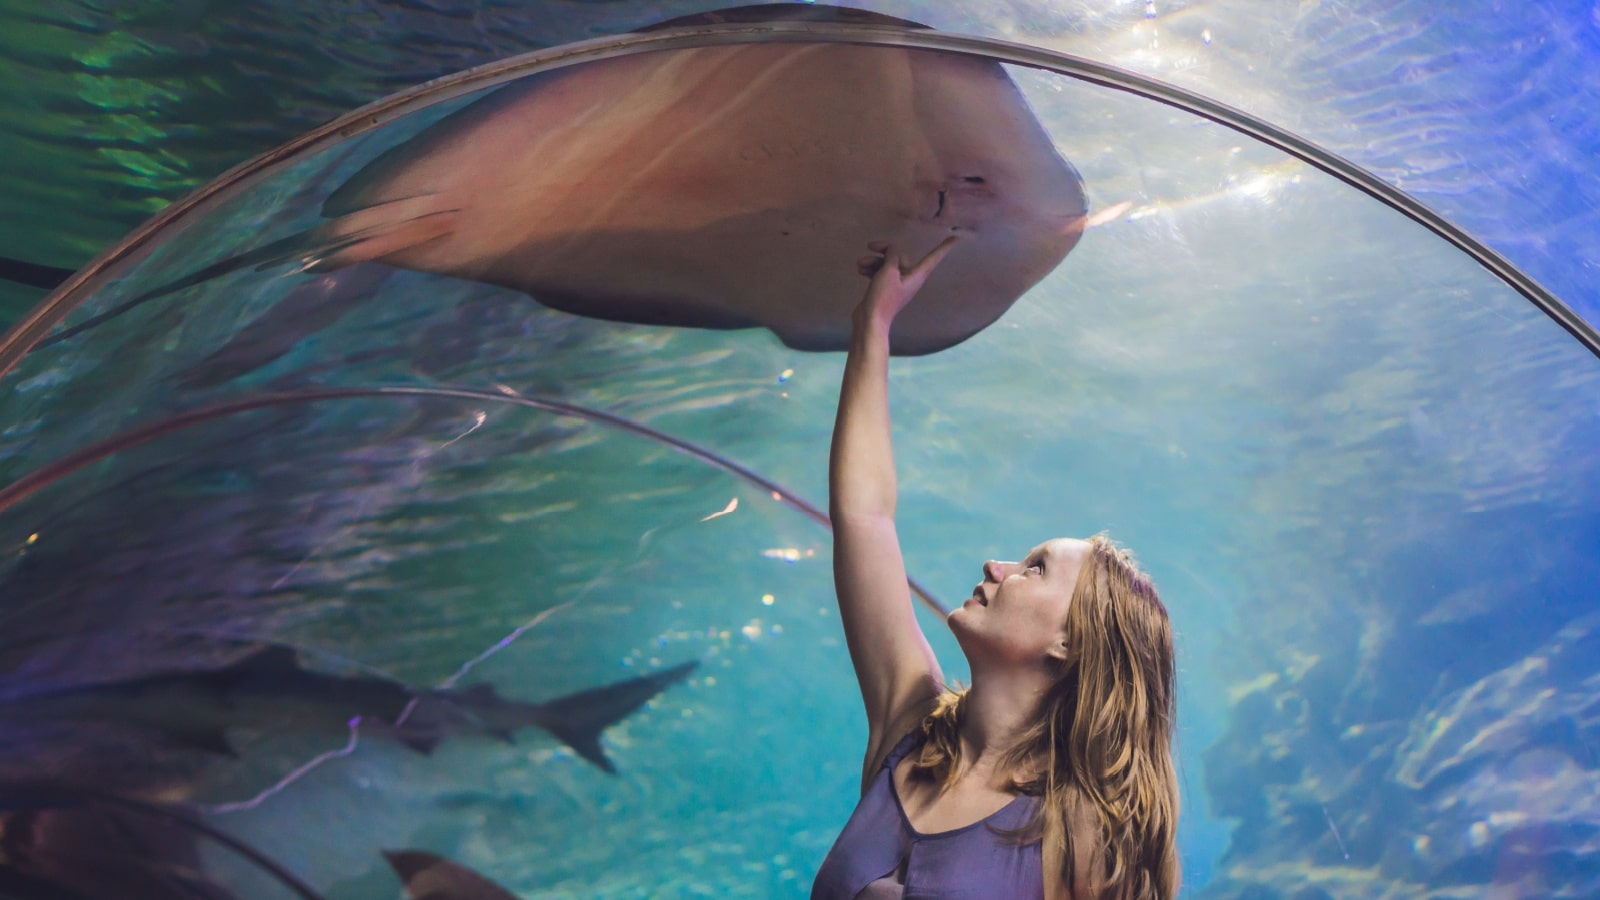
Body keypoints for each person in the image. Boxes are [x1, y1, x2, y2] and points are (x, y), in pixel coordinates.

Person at [810, 238, 1180, 900]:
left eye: (1034, 568)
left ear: (1069, 642)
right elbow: (866, 515)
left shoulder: (1088, 834)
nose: (997, 565)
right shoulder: (908, 727)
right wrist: (875, 323)